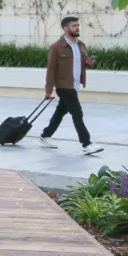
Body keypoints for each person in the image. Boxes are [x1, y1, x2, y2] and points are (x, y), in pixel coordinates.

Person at [39, 16, 103, 155]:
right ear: (65, 28)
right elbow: (51, 70)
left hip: (74, 84)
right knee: (77, 113)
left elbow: (82, 63)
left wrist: (88, 63)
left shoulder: (80, 45)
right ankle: (87, 144)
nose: (77, 28)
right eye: (74, 26)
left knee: (60, 112)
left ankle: (45, 135)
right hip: (63, 85)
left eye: (78, 25)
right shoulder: (56, 47)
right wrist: (48, 90)